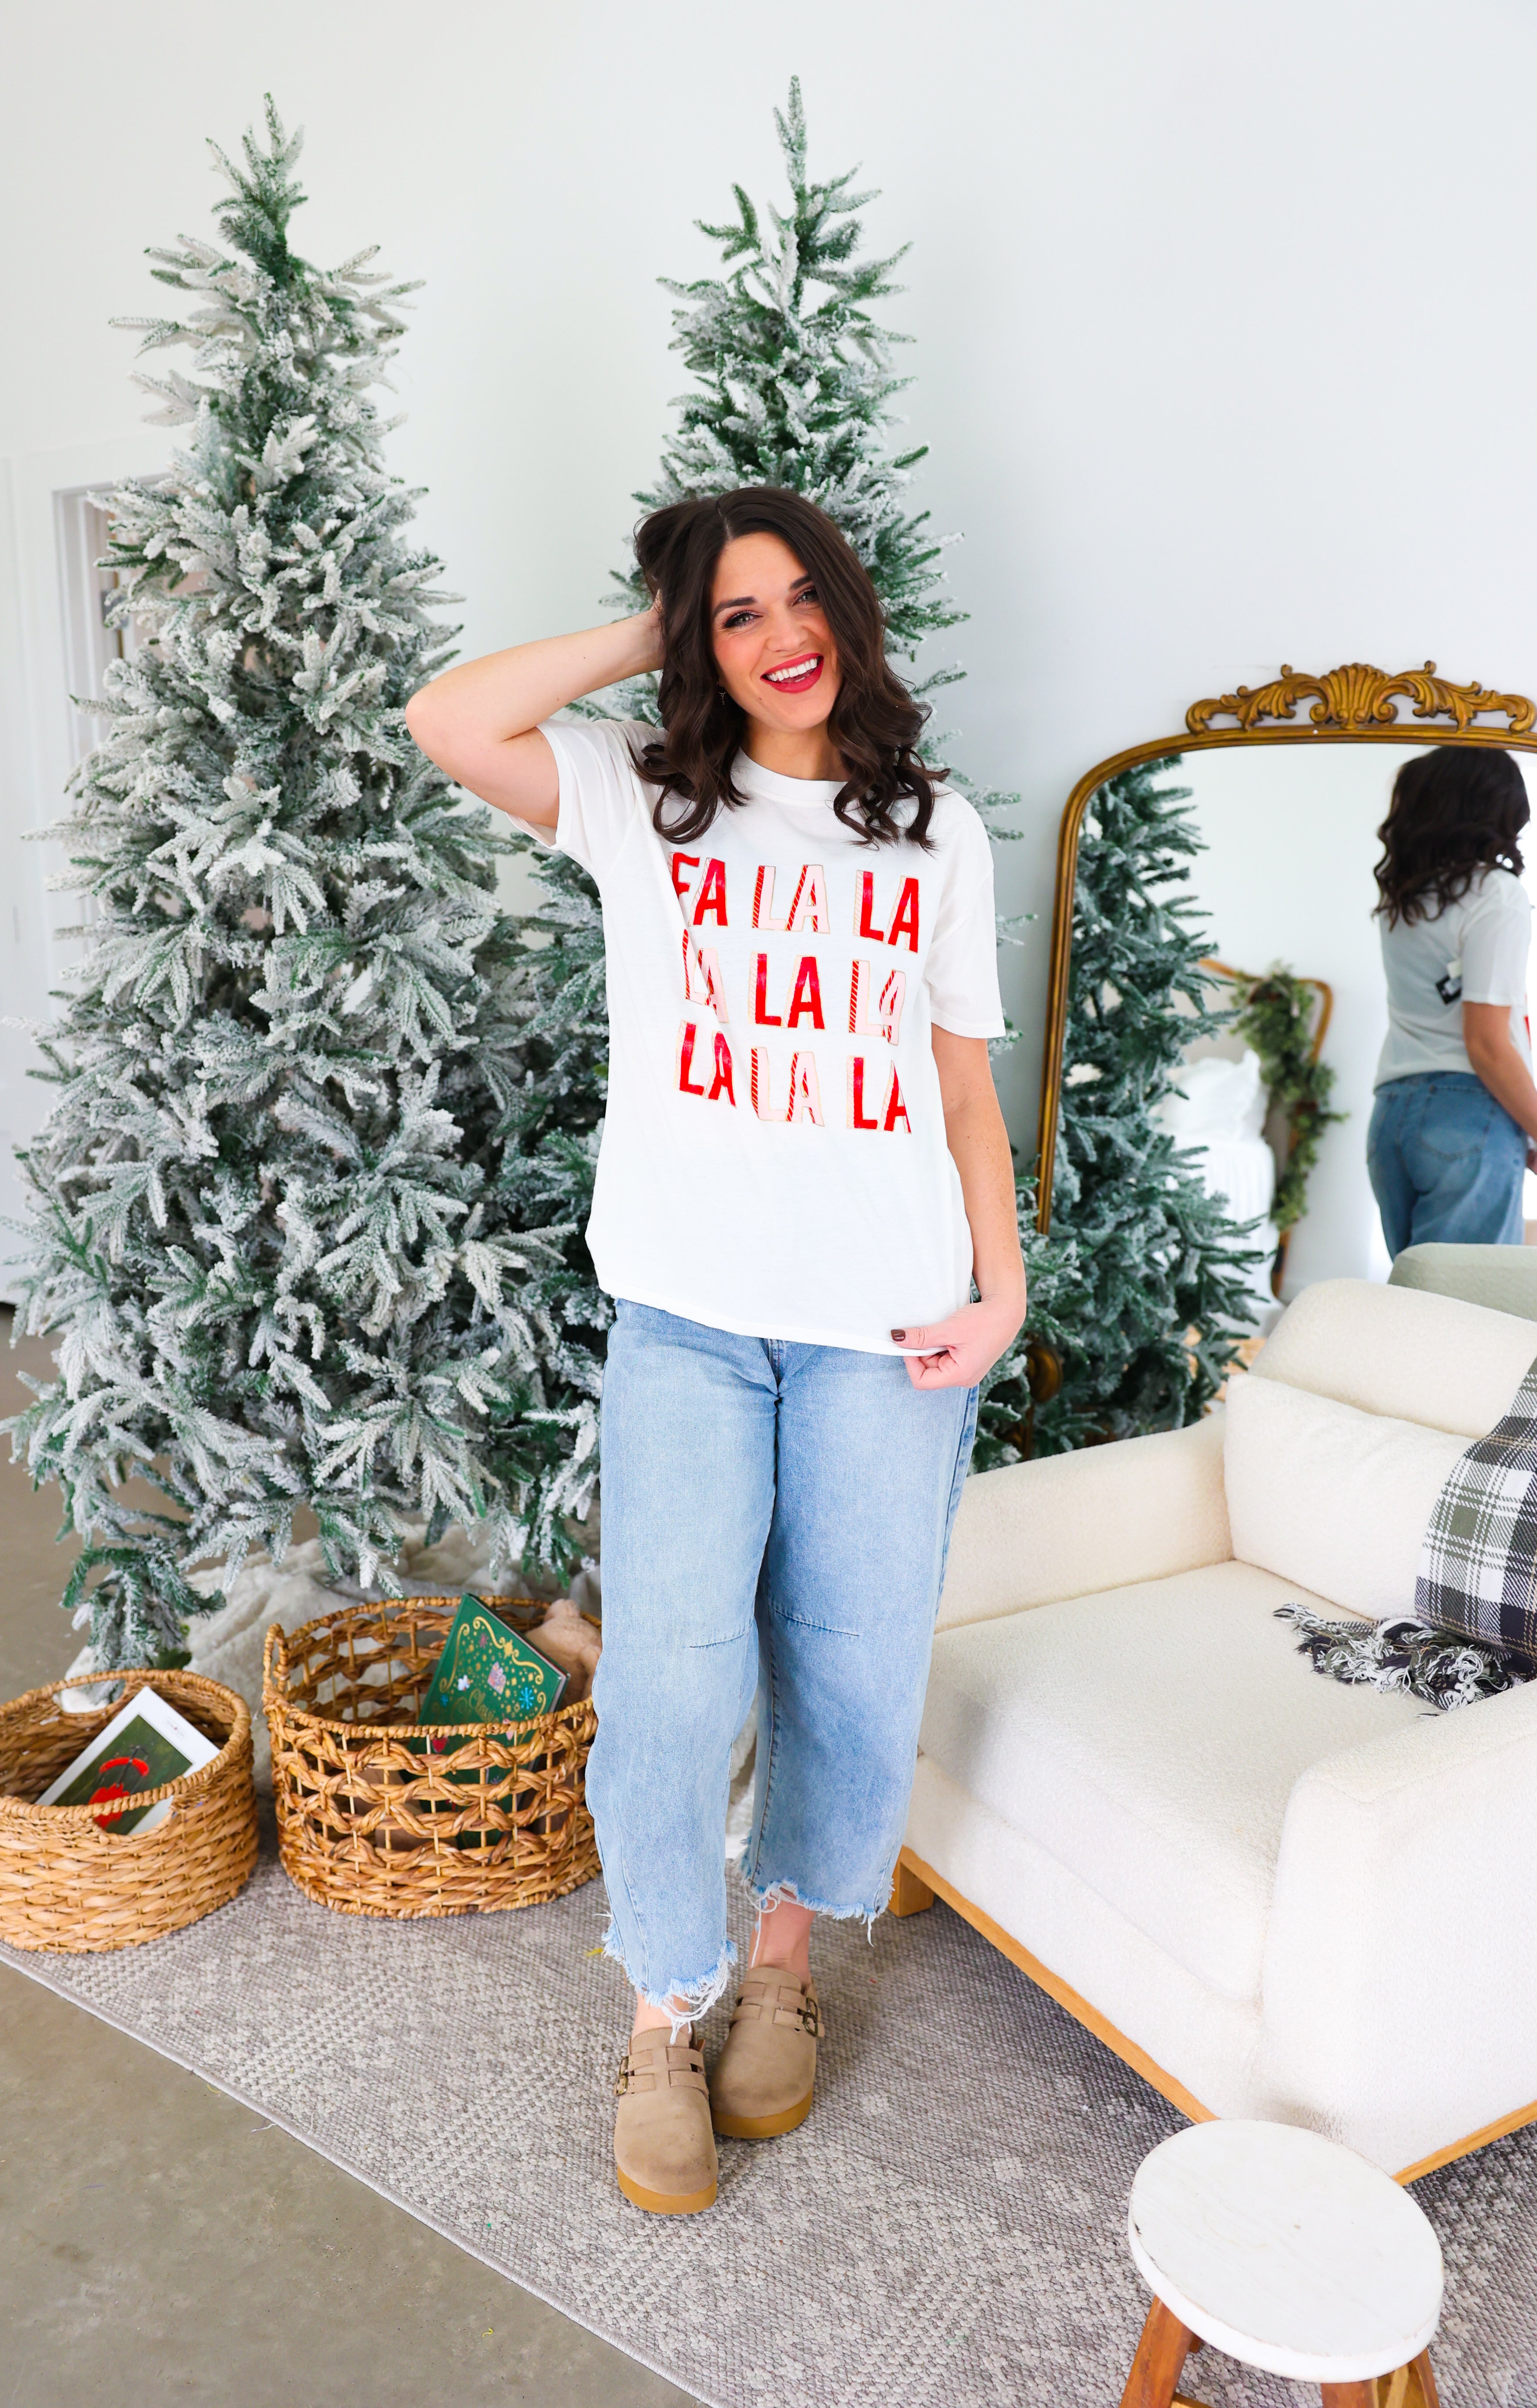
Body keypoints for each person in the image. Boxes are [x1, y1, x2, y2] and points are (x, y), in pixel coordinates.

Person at [406, 486, 1026, 2216]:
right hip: (687, 1318)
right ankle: (663, 2011)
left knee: (847, 1668)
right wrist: (657, 616)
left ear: (848, 608)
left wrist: (1002, 1294)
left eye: (796, 596)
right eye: (735, 613)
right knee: (671, 1684)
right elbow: (448, 717)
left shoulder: (932, 829)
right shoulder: (642, 795)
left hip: (886, 1327)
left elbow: (961, 1089)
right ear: (700, 640)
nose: (779, 635)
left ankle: (780, 1972)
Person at [1368, 745, 1537, 1256]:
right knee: (1462, 1302)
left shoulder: (1404, 900)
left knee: (1415, 1295)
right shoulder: (1496, 894)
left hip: (1393, 1114)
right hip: (1466, 1116)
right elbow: (1486, 1046)